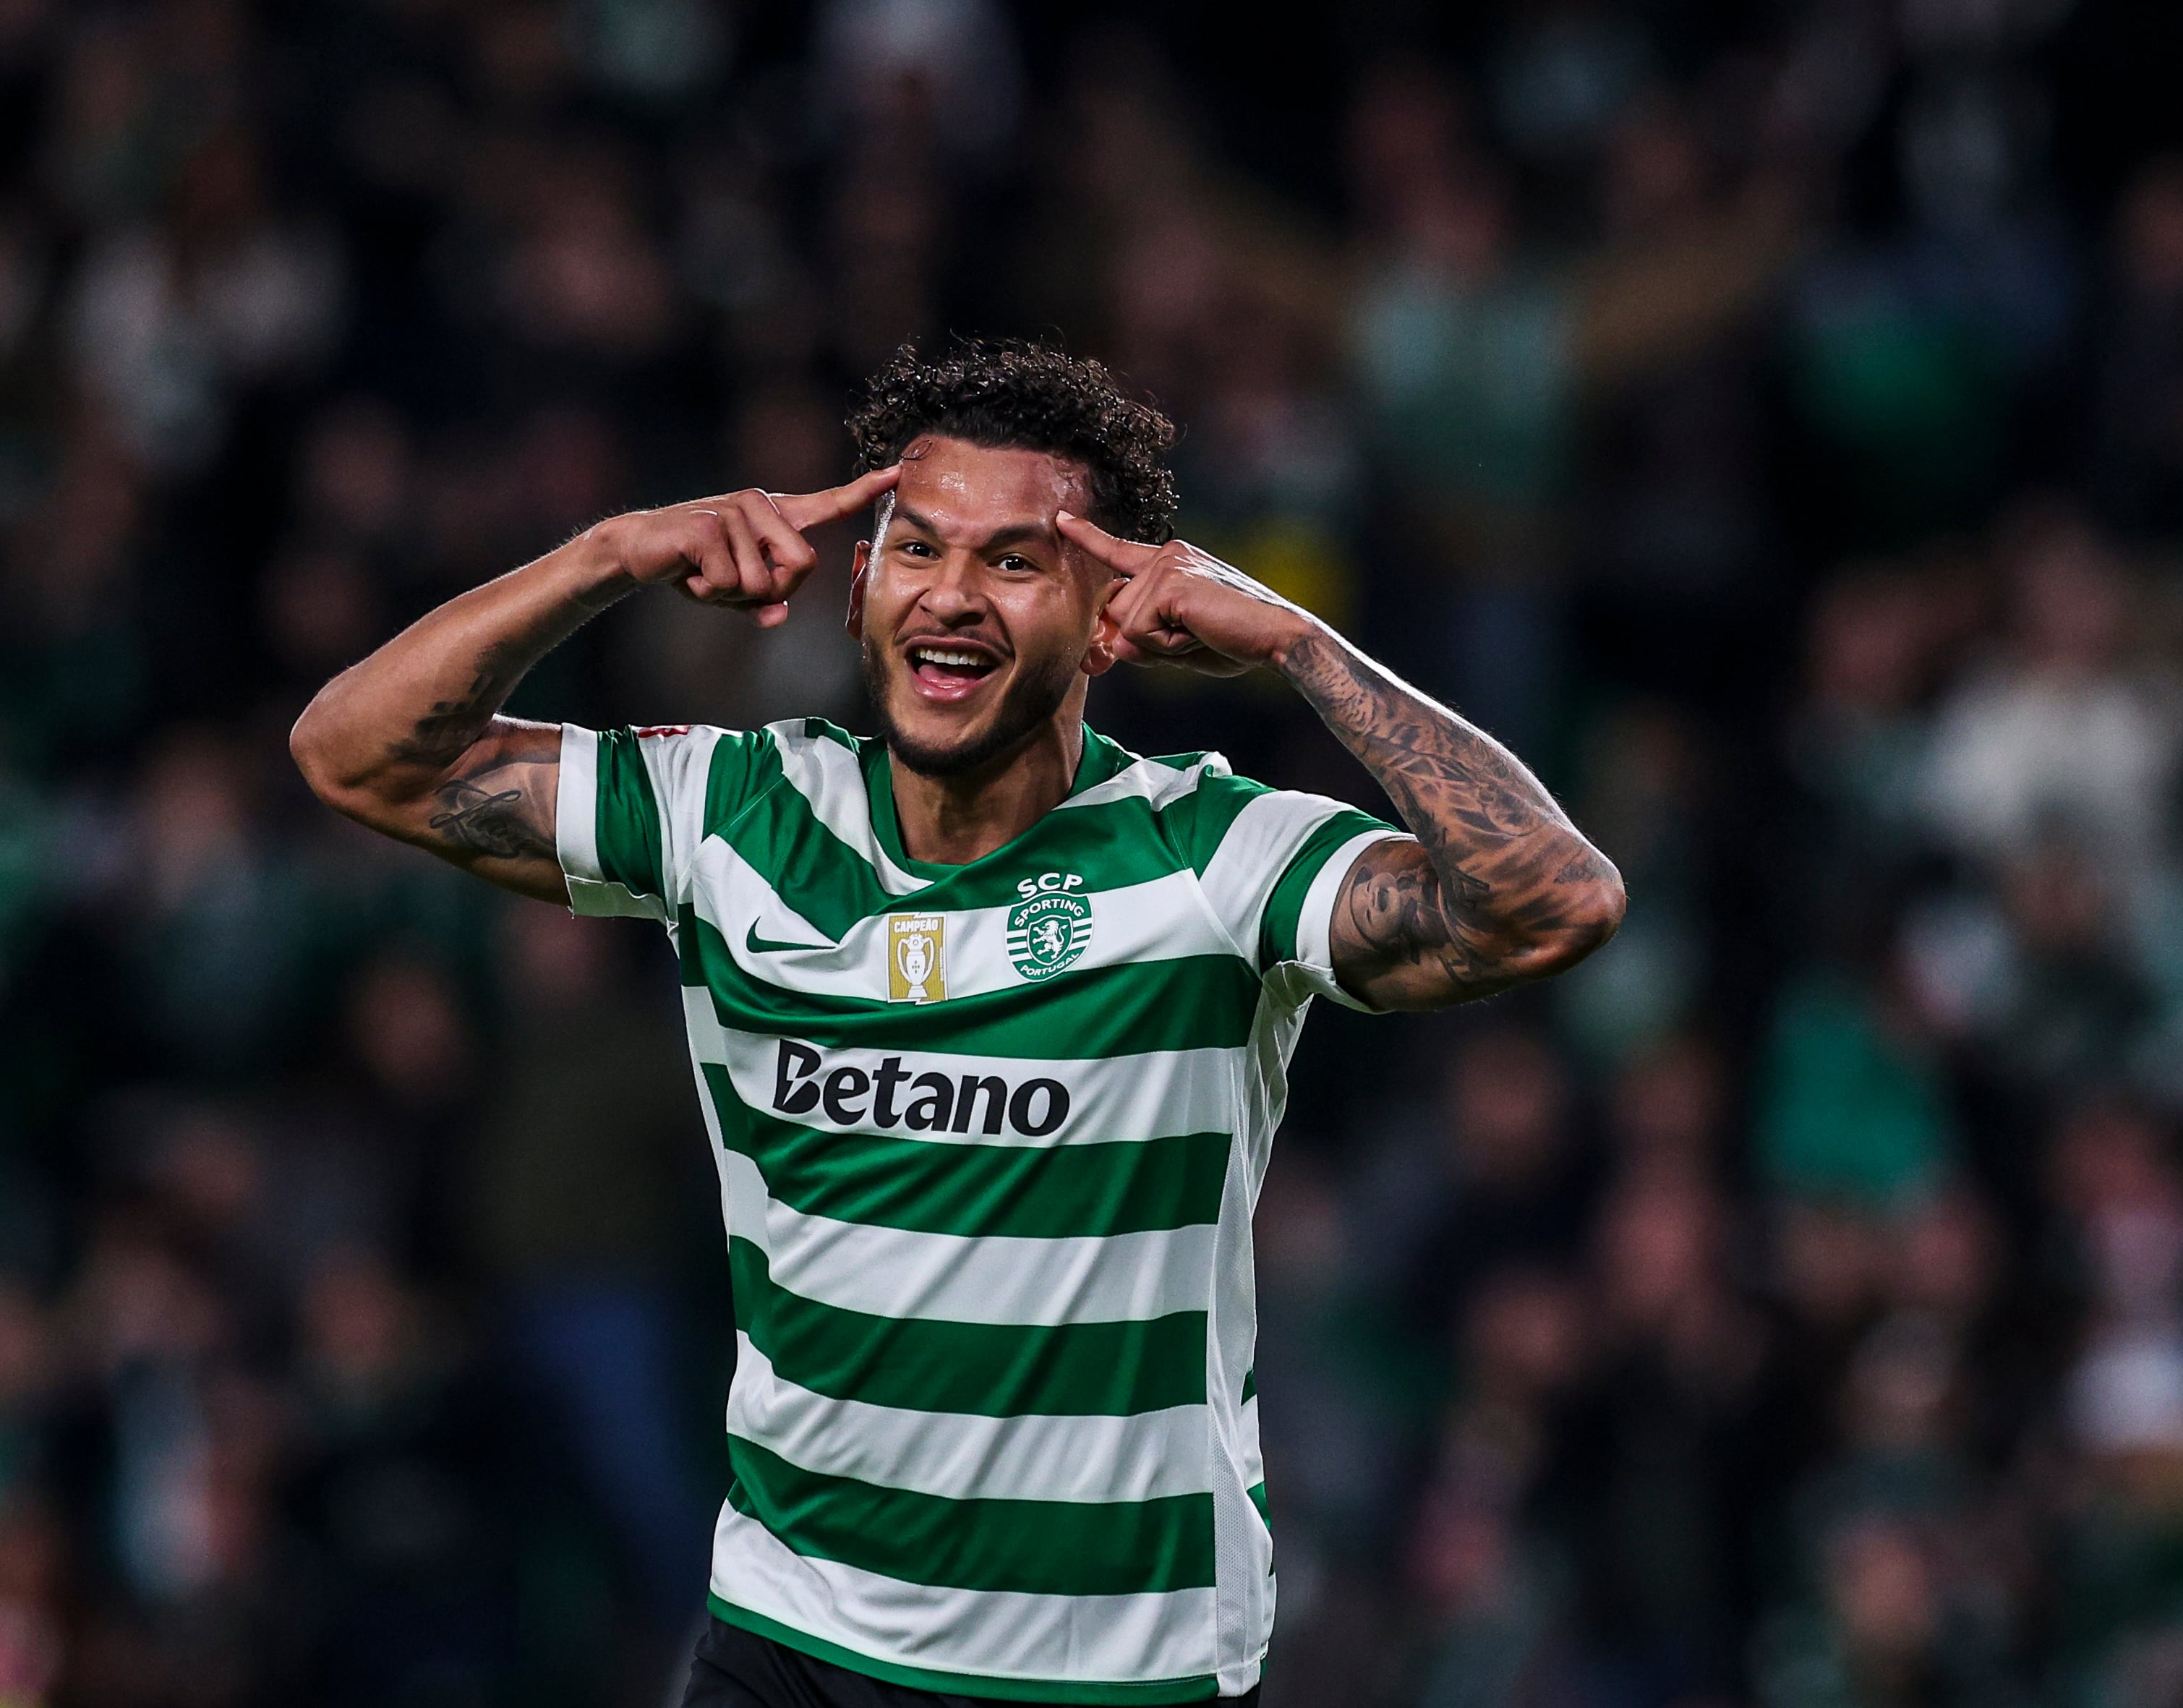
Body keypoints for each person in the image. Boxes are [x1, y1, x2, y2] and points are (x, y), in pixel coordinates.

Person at [286, 341, 1625, 1707]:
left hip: (1115, 1666)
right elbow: (355, 752)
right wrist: (615, 553)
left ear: (1113, 614)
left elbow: (1551, 902)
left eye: (1017, 560)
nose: (955, 595)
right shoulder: (734, 813)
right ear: (860, 585)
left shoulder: (1212, 857)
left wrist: (1295, 640)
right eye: (917, 547)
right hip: (791, 1638)